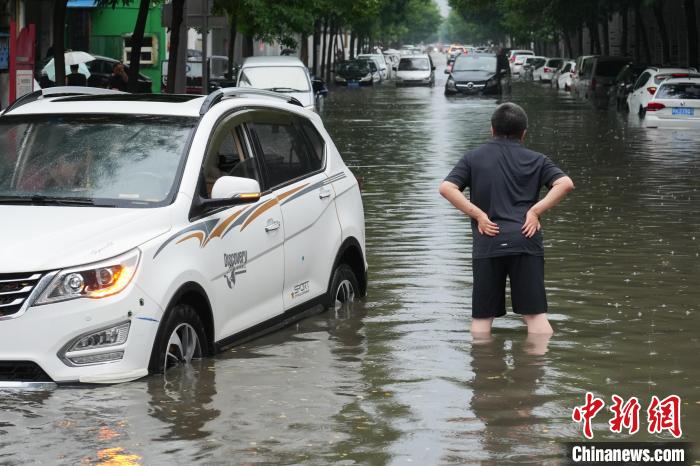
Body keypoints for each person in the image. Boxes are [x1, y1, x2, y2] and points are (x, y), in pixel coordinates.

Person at [439, 103, 574, 336]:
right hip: (525, 238)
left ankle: (484, 369)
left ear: (492, 129)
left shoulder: (473, 158)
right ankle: (535, 369)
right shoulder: (537, 159)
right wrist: (535, 211)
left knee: (482, 319)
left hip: (488, 240)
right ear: (524, 132)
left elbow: (446, 187)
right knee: (535, 316)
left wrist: (479, 215)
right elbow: (565, 183)